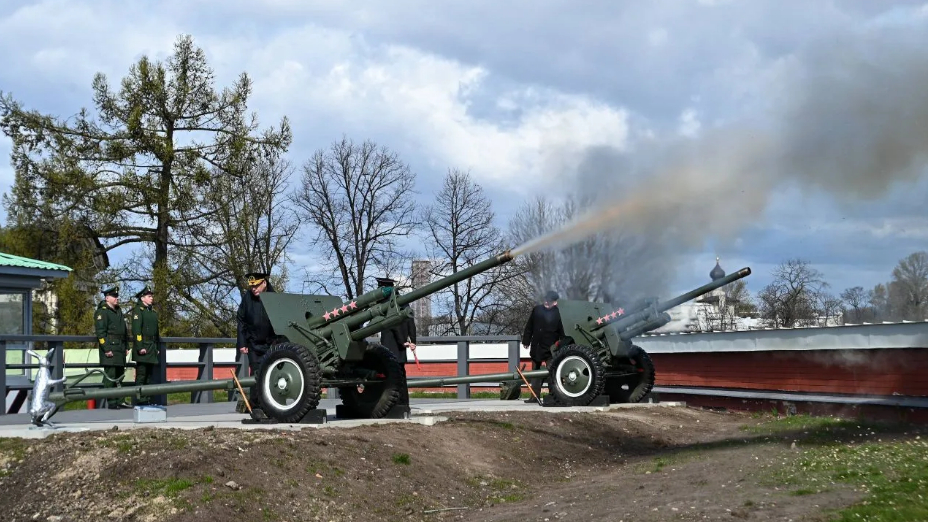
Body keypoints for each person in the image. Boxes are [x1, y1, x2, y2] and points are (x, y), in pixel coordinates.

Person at [235, 271, 277, 414]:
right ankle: (256, 406)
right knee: (256, 374)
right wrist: (242, 343)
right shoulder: (247, 298)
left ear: (264, 283)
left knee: (271, 374)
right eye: (252, 286)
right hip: (253, 344)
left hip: (271, 344)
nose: (254, 289)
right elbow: (241, 320)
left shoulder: (274, 297)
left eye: (257, 286)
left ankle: (272, 403)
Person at [376, 277, 416, 408]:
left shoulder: (387, 304)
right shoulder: (403, 302)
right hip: (401, 347)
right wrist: (412, 341)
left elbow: (394, 324)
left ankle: (394, 404)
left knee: (391, 377)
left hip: (391, 345)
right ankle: (404, 404)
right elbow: (411, 323)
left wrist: (401, 341)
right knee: (401, 376)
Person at [521, 290, 565, 403]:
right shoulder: (537, 310)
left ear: (555, 302)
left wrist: (560, 346)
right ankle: (534, 396)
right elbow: (529, 326)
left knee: (553, 372)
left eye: (549, 301)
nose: (546, 302)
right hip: (537, 347)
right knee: (535, 374)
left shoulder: (559, 313)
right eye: (545, 299)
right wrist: (526, 340)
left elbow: (563, 332)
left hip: (552, 348)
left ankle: (554, 396)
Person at [94, 285, 130, 409]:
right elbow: (100, 333)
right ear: (107, 297)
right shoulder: (102, 311)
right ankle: (112, 402)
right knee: (111, 376)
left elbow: (124, 330)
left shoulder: (118, 310)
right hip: (110, 347)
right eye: (114, 297)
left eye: (117, 296)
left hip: (120, 347)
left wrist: (126, 345)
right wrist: (106, 348)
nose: (117, 299)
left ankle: (120, 400)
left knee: (120, 375)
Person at [131, 285, 160, 405]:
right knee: (141, 374)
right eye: (149, 296)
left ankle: (147, 398)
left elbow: (156, 332)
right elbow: (137, 330)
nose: (151, 298)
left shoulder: (152, 312)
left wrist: (156, 347)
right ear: (142, 298)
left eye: (151, 296)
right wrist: (140, 346)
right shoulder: (138, 311)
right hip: (143, 346)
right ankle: (140, 399)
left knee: (149, 375)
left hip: (151, 346)